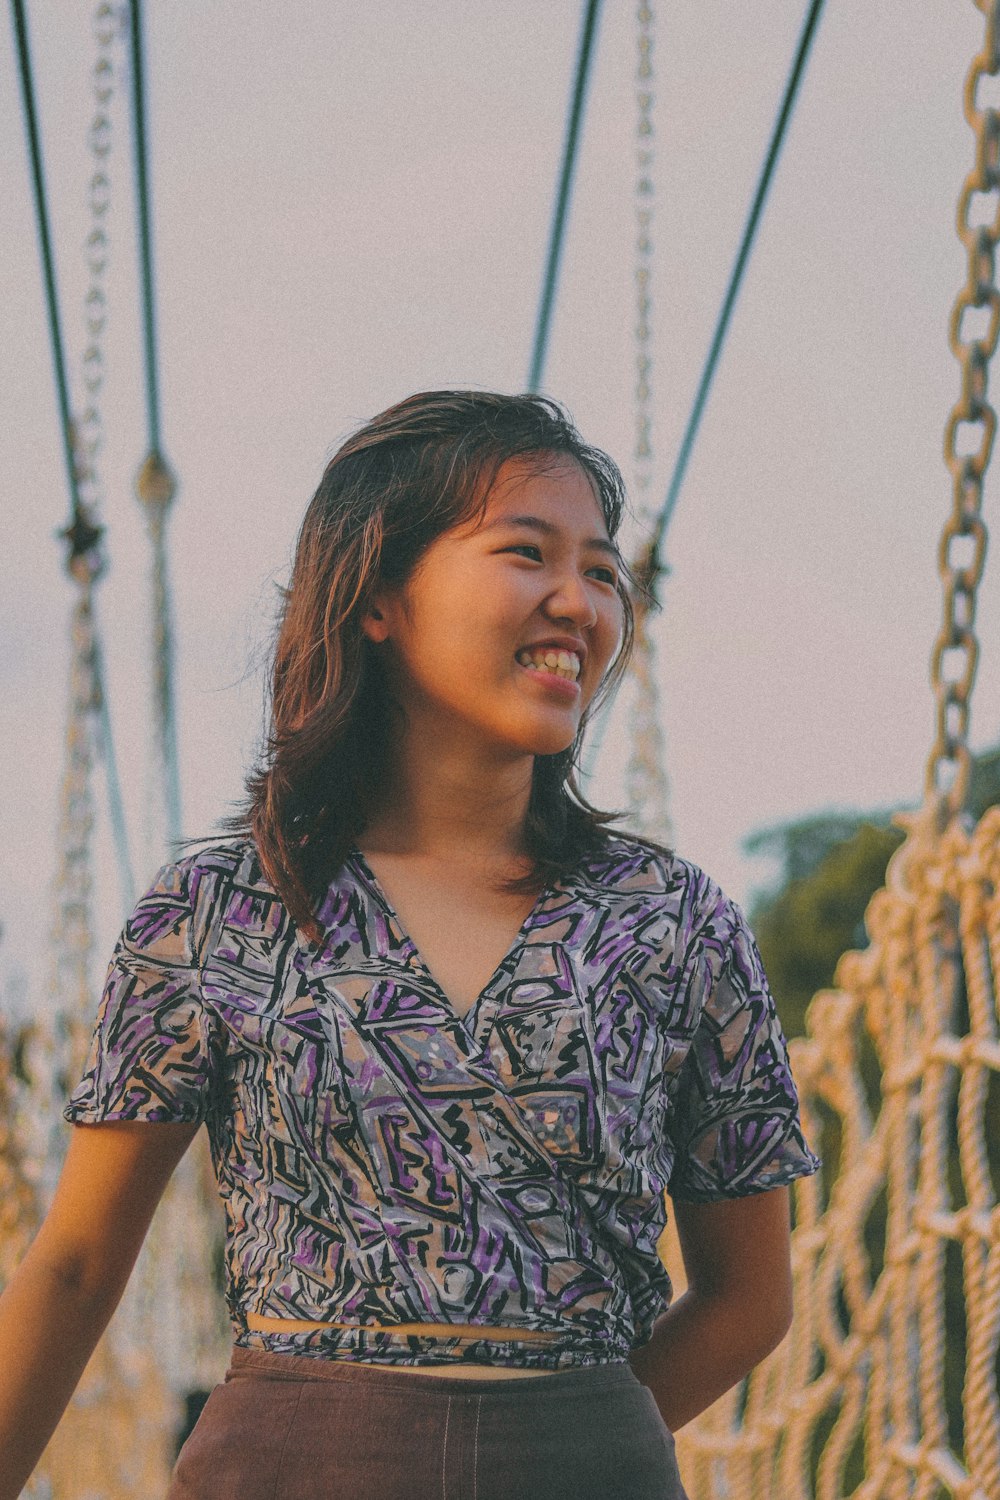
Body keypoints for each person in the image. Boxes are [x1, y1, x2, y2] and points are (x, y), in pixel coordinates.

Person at [0, 390, 819, 1500]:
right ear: (378, 594)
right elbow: (78, 1263)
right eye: (527, 553)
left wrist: (565, 1442)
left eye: (601, 572)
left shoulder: (675, 924)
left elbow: (749, 1300)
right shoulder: (216, 910)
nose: (577, 602)